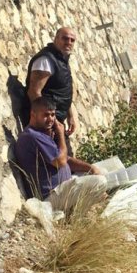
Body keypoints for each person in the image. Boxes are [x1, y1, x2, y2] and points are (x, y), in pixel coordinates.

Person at [15, 97, 108, 214]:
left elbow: (66, 160)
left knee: (101, 171)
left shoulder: (42, 133)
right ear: (33, 114)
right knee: (100, 182)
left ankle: (81, 207)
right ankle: (75, 214)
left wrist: (91, 168)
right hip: (51, 196)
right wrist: (60, 134)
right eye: (46, 115)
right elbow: (61, 161)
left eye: (53, 115)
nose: (50, 119)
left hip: (64, 186)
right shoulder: (33, 136)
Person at [25, 27, 79, 155]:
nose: (69, 42)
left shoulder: (62, 60)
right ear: (56, 39)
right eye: (65, 38)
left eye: (72, 40)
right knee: (60, 162)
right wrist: (51, 122)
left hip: (57, 120)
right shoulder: (46, 60)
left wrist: (70, 116)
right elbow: (34, 92)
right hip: (46, 125)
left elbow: (61, 91)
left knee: (66, 162)